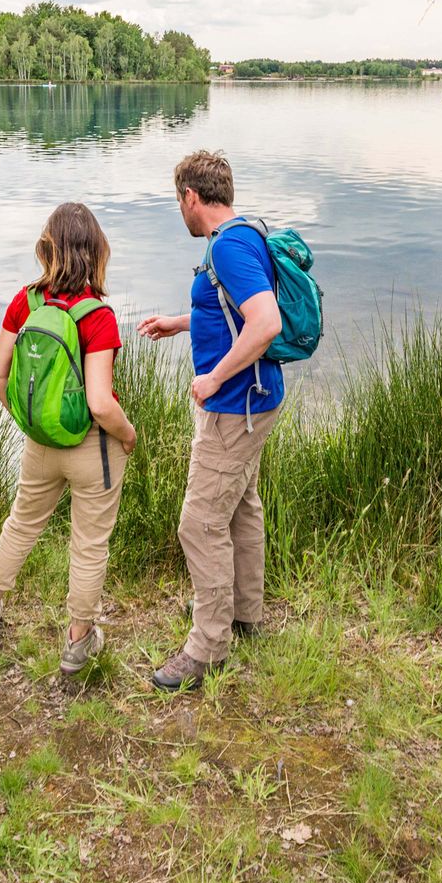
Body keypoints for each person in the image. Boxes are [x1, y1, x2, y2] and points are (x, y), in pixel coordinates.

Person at [136, 150, 283, 692]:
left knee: (198, 523)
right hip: (256, 400)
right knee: (241, 508)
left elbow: (264, 322)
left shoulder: (229, 246)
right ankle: (243, 615)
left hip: (235, 406)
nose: (180, 209)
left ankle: (208, 647)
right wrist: (182, 322)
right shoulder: (243, 235)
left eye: (179, 200)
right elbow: (236, 309)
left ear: (191, 198)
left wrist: (214, 378)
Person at [0, 202, 139, 674]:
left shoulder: (25, 302)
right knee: (88, 544)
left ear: (47, 248)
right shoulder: (97, 316)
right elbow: (101, 403)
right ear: (95, 252)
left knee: (22, 523)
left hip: (40, 445)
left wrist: (29, 423)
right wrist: (127, 436)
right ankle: (77, 640)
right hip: (92, 449)